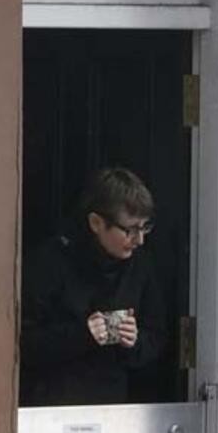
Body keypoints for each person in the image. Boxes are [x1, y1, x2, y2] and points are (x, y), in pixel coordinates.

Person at [20, 168, 167, 406]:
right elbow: (23, 343)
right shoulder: (50, 263)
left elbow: (157, 338)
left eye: (145, 227)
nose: (140, 240)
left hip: (114, 408)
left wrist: (134, 342)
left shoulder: (141, 267)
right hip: (52, 407)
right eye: (130, 230)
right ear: (96, 223)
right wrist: (81, 335)